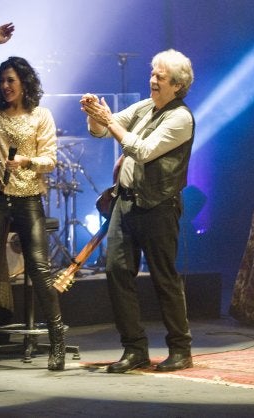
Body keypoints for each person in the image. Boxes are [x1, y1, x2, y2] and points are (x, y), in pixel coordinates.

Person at [80, 49, 195, 373]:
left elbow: (141, 150)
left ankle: (180, 349)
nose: (152, 80)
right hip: (126, 203)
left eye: (160, 76)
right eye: (153, 73)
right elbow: (103, 129)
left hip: (158, 206)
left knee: (164, 278)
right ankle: (134, 349)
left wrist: (108, 122)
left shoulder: (180, 118)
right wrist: (94, 113)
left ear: (177, 85)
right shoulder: (146, 107)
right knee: (117, 272)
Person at [0, 23, 66, 371]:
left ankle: (56, 341)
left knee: (39, 268)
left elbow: (50, 160)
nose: (5, 86)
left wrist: (27, 161)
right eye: (2, 81)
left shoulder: (41, 115)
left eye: (11, 81)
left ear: (24, 83)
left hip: (29, 198)